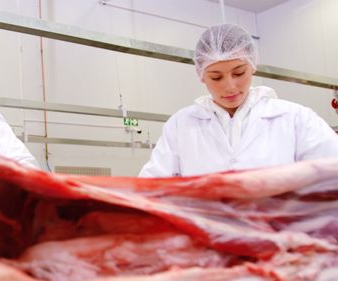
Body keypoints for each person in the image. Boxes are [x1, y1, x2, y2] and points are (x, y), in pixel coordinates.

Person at [139, 23, 338, 177]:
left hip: (277, 230)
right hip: (205, 229)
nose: (230, 86)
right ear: (201, 75)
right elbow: (149, 187)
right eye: (216, 77)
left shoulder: (295, 118)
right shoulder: (180, 125)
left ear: (252, 65)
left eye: (239, 72)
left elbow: (332, 173)